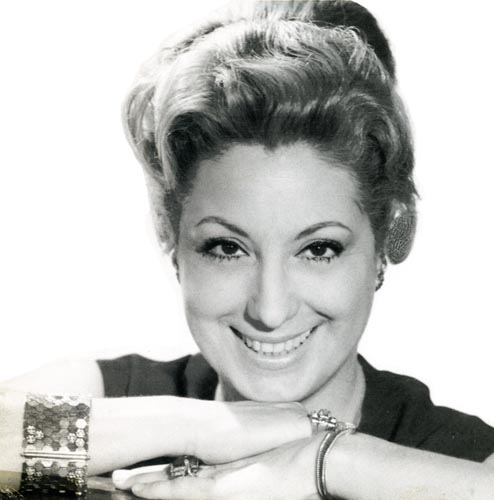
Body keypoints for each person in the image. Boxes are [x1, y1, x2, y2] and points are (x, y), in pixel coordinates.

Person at [1, 1, 493, 499]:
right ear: (171, 236)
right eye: (227, 248)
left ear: (387, 241)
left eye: (319, 249)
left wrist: (329, 459)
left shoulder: (459, 458)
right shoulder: (119, 399)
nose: (270, 310)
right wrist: (211, 428)